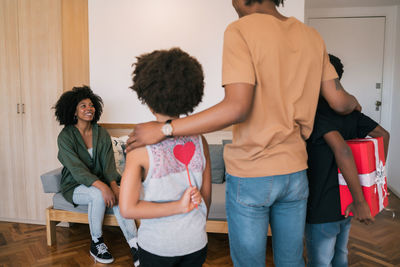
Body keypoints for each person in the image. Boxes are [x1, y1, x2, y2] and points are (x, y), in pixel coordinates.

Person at [125, 1, 362, 266]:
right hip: (295, 171)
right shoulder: (311, 36)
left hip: (252, 172)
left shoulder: (240, 30)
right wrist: (354, 103)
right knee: (292, 261)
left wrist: (164, 129)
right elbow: (340, 101)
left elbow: (237, 107)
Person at [119, 47, 212, 267]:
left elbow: (127, 208)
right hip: (196, 242)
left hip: (158, 246)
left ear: (148, 100)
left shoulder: (139, 149)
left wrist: (178, 207)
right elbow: (206, 196)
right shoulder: (200, 140)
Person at [305, 54, 390, 267]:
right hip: (348, 203)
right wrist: (368, 184)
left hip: (322, 206)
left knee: (320, 262)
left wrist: (362, 201)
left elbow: (342, 150)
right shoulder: (351, 112)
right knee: (341, 255)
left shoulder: (315, 113)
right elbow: (383, 135)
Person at [54, 86, 140, 266]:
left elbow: (109, 164)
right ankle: (96, 243)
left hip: (102, 182)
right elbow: (77, 170)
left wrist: (114, 186)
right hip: (75, 186)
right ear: (74, 111)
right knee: (97, 194)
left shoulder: (101, 133)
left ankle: (135, 245)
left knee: (120, 195)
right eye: (83, 105)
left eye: (91, 105)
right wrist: (103, 187)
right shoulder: (65, 136)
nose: (89, 109)